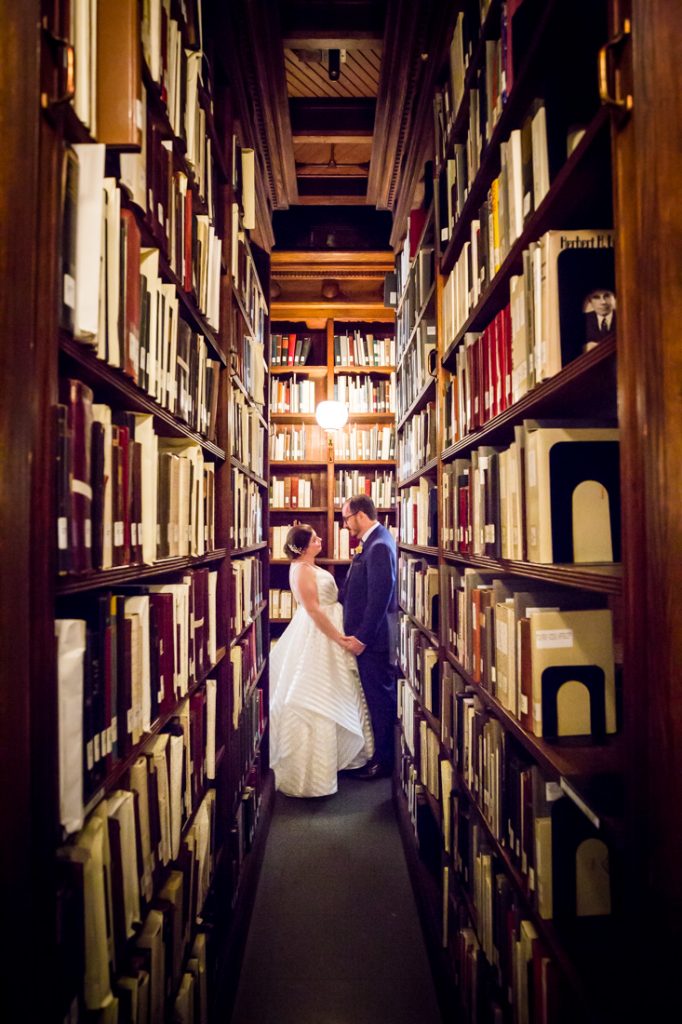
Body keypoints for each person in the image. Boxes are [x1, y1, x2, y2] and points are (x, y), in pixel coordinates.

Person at [269, 523, 374, 798]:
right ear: (302, 547)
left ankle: (340, 756)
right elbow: (314, 610)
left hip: (329, 626)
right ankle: (313, 769)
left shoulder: (309, 566)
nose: (320, 539)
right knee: (318, 691)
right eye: (315, 538)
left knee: (338, 688)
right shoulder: (302, 570)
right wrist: (338, 637)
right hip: (321, 633)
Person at [339, 494, 398, 779]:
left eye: (346, 518)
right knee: (374, 699)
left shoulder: (379, 545)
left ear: (360, 515)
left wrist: (361, 638)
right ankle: (380, 757)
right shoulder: (373, 542)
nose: (345, 524)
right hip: (369, 642)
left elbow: (379, 597)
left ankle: (384, 762)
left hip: (374, 644)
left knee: (380, 701)